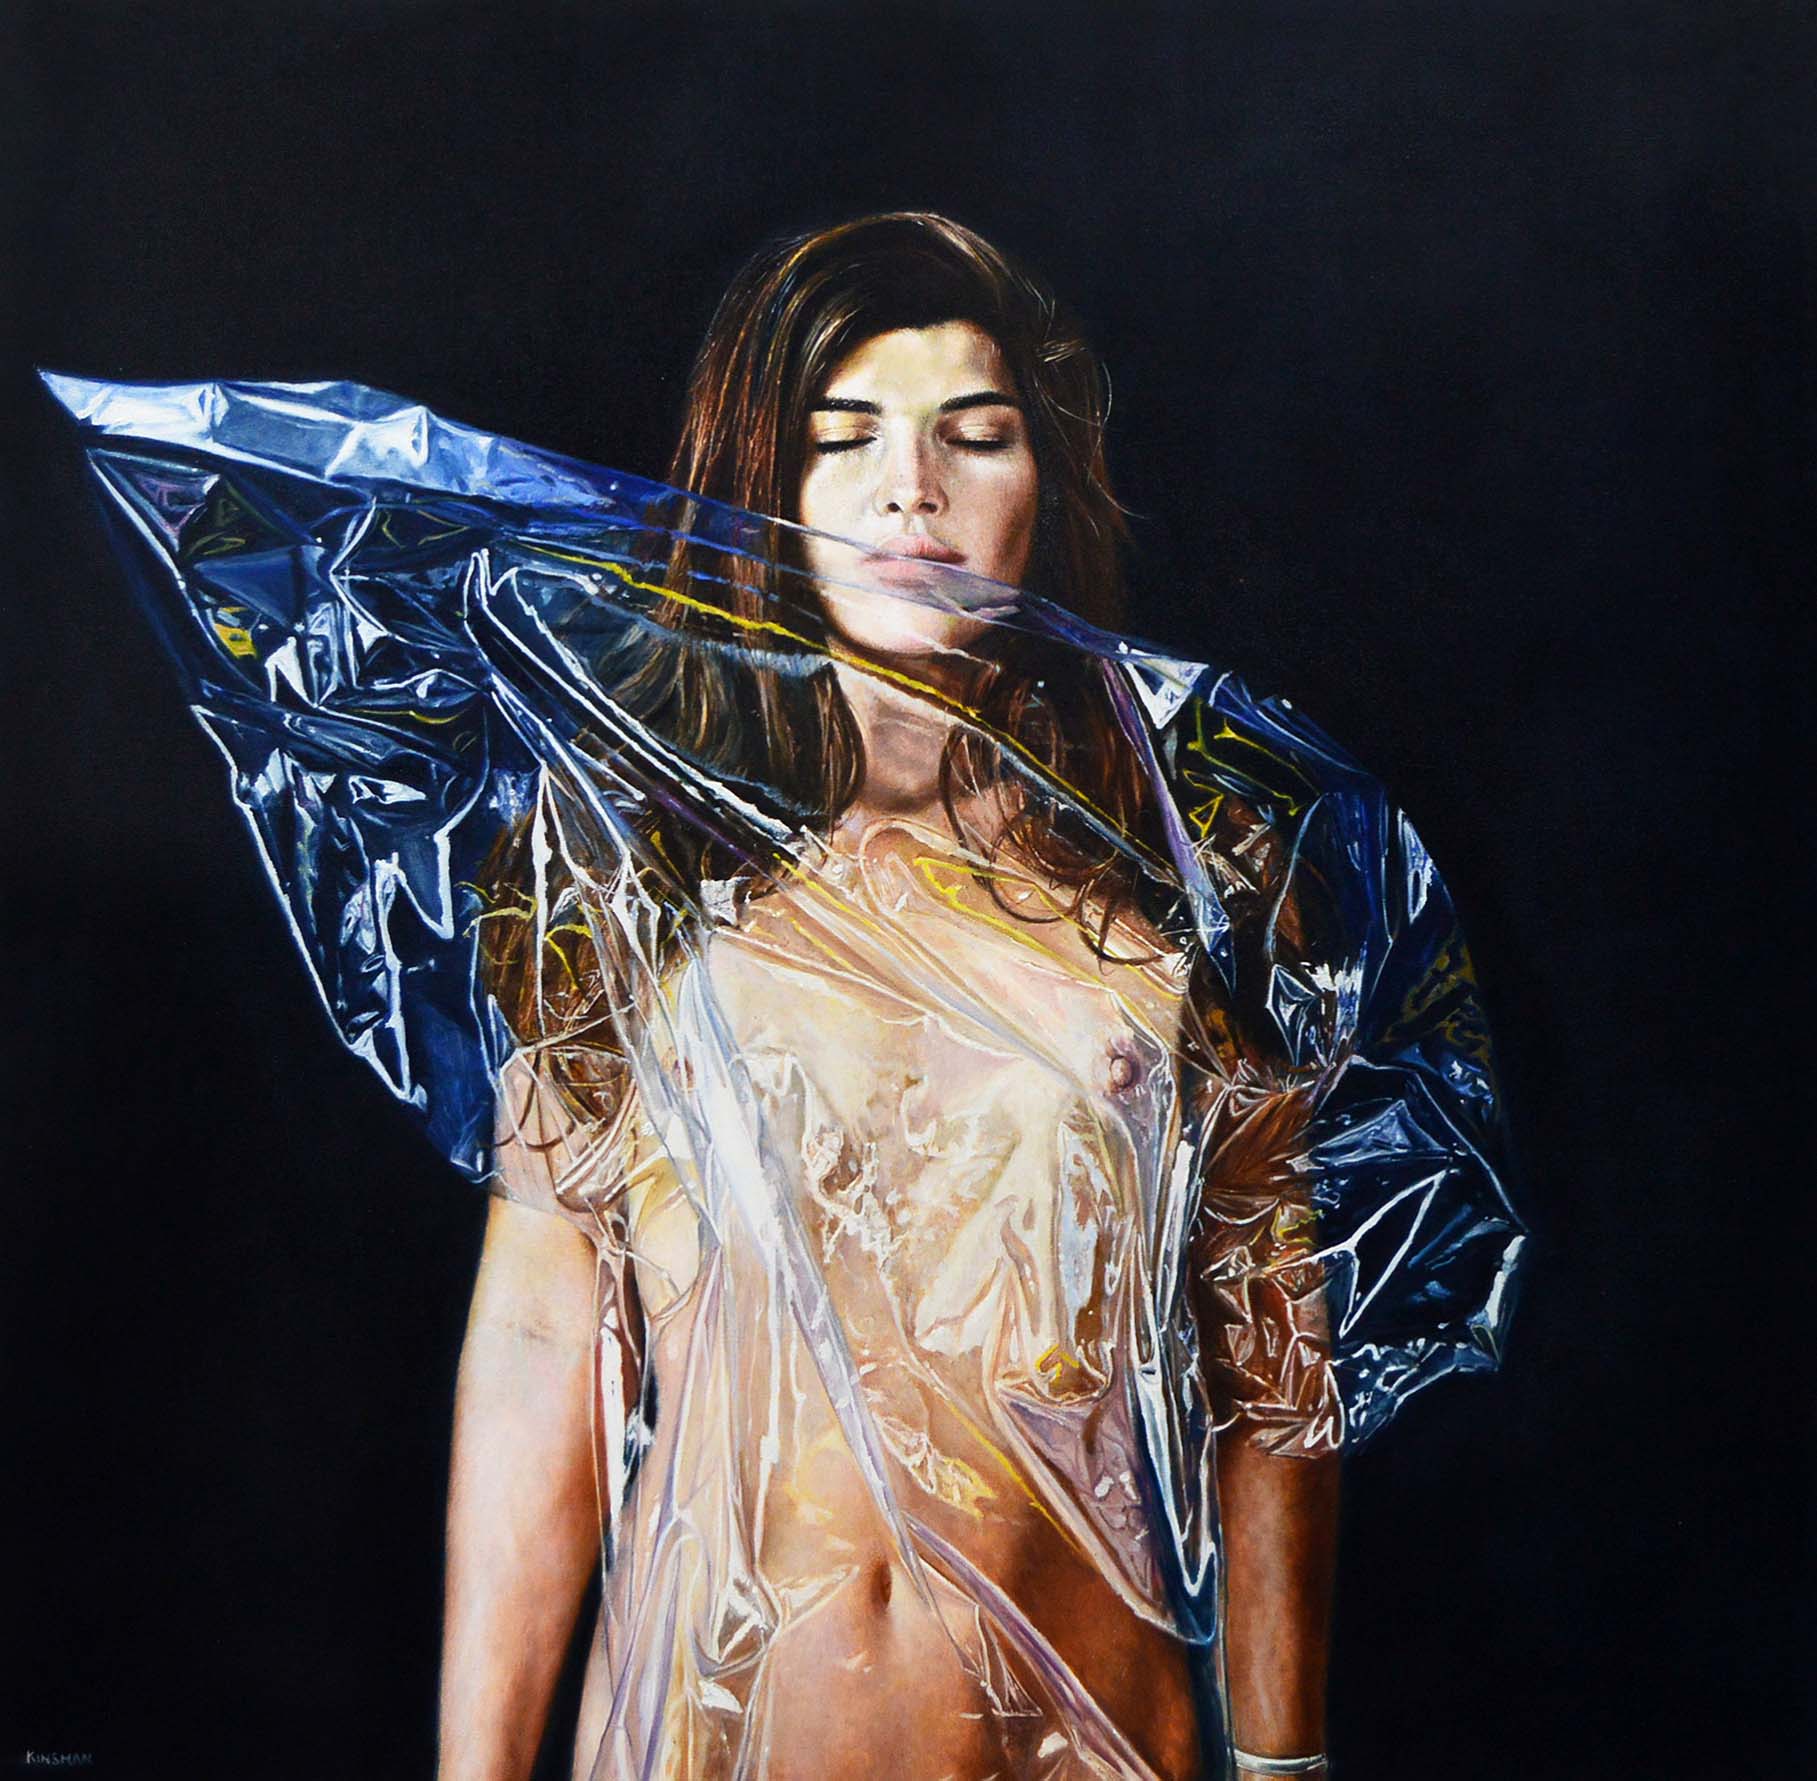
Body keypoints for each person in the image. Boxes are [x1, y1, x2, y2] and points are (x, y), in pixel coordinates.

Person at [46, 212, 1521, 1781]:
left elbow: (1272, 1369)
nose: (911, 487)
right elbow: (543, 1337)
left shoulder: (1186, 880)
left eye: (974, 435)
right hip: (696, 1740)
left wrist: (1284, 1765)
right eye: (843, 438)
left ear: (1046, 484)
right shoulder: (625, 866)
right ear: (765, 487)